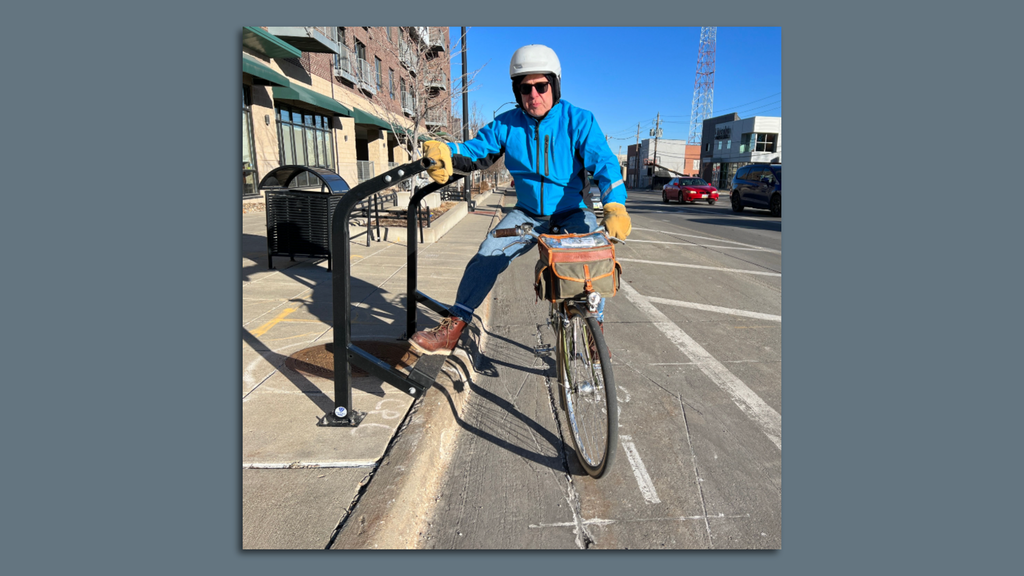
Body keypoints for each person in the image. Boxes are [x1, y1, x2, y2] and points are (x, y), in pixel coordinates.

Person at [409, 44, 631, 355]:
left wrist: (615, 205)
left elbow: (605, 163)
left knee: (593, 255)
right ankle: (455, 326)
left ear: (554, 86)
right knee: (488, 252)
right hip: (527, 216)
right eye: (525, 88)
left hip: (571, 212)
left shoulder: (578, 121)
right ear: (517, 92)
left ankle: (596, 328)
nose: (534, 95)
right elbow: (475, 151)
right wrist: (446, 153)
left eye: (541, 86)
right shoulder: (506, 124)